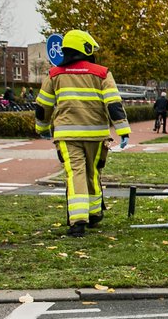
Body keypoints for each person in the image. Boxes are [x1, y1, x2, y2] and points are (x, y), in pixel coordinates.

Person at [34, 29, 129, 236]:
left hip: (68, 136)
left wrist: (41, 128)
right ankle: (94, 213)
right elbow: (113, 104)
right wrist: (123, 130)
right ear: (85, 48)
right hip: (96, 135)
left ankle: (78, 221)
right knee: (93, 172)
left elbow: (43, 107)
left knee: (75, 172)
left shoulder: (54, 74)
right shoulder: (102, 73)